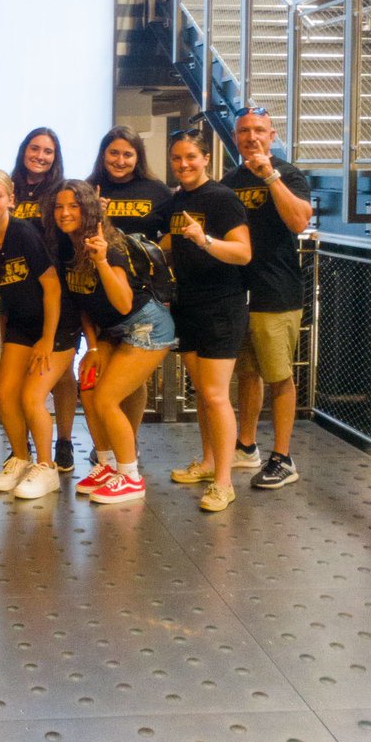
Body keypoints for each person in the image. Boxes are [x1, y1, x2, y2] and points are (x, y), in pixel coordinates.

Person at [47, 180, 177, 504]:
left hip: (146, 326)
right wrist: (91, 349)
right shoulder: (67, 246)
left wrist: (102, 261)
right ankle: (105, 465)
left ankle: (130, 475)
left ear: (88, 209)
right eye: (59, 206)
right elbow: (82, 305)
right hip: (110, 332)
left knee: (106, 398)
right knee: (88, 386)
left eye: (73, 206)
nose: (64, 213)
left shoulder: (110, 244)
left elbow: (122, 302)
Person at [0, 169, 79, 500]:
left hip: (57, 323)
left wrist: (47, 339)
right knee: (5, 395)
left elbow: (52, 287)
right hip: (20, 322)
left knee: (32, 397)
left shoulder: (24, 233)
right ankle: (20, 457)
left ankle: (47, 468)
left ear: (10, 200)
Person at [160, 129, 251, 513]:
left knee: (216, 396)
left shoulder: (222, 199)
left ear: (206, 159)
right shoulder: (177, 200)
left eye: (191, 157)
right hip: (188, 305)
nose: (184, 164)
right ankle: (210, 462)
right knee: (203, 395)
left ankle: (224, 483)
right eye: (178, 158)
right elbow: (170, 243)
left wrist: (204, 241)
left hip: (221, 307)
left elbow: (243, 253)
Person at [221, 106, 312, 489]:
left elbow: (299, 221)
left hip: (277, 291)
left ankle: (284, 457)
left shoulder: (289, 174)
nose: (251, 137)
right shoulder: (230, 180)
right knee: (247, 373)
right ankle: (246, 446)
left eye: (259, 130)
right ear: (237, 137)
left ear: (272, 136)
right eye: (244, 131)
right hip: (238, 289)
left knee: (279, 376)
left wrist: (270, 177)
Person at [86, 125, 173, 452]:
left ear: (138, 157)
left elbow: (173, 234)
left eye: (127, 154)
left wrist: (156, 258)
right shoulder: (89, 187)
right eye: (114, 153)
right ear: (103, 154)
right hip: (101, 293)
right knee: (105, 371)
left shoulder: (157, 191)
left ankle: (128, 441)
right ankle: (110, 439)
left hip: (143, 298)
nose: (120, 160)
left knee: (133, 376)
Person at [10, 127, 77, 473]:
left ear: (55, 157)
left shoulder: (61, 193)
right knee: (21, 374)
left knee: (61, 375)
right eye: (35, 148)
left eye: (48, 151)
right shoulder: (10, 188)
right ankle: (21, 445)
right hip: (17, 294)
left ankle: (63, 442)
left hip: (57, 290)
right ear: (24, 151)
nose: (40, 155)